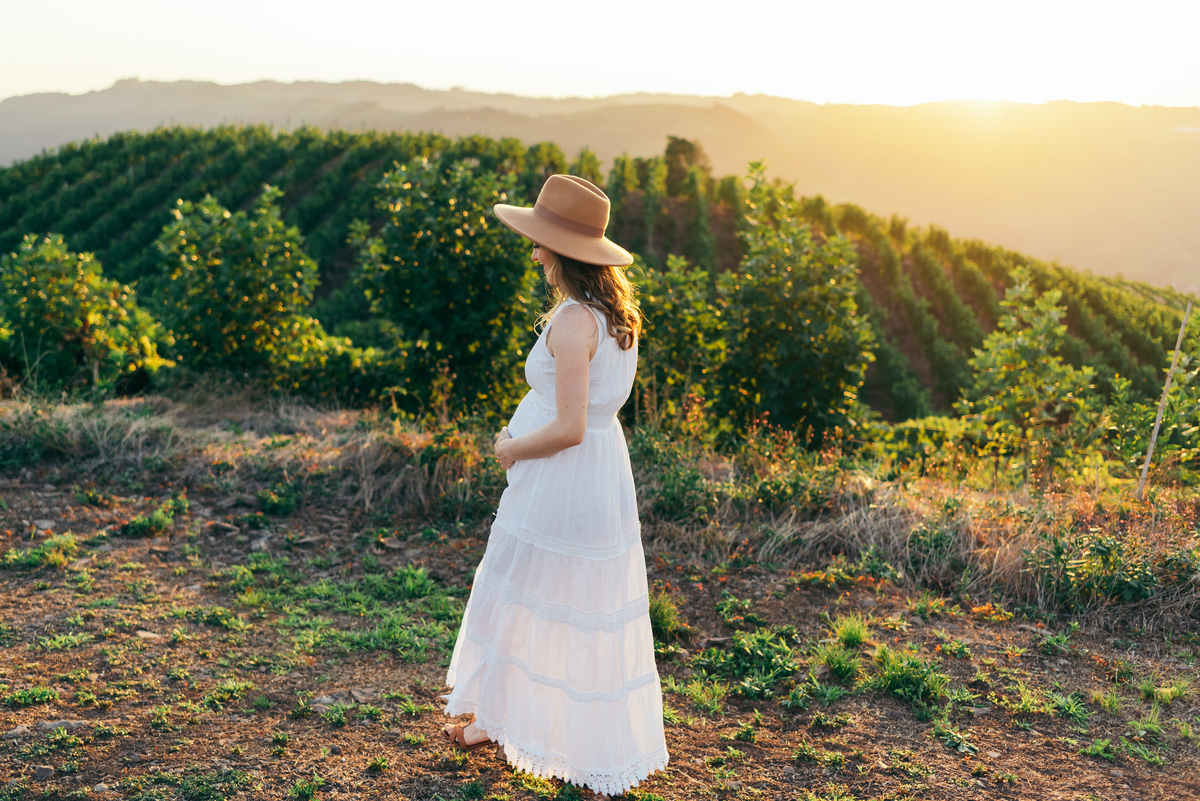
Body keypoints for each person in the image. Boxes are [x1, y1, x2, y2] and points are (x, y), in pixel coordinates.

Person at [439, 174, 669, 798]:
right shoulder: (618, 317)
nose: (534, 252)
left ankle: (556, 735)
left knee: (530, 592)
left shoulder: (573, 320)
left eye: (540, 243)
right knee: (563, 599)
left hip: (565, 480)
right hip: (597, 477)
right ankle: (497, 716)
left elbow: (570, 427)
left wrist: (511, 448)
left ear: (562, 252)